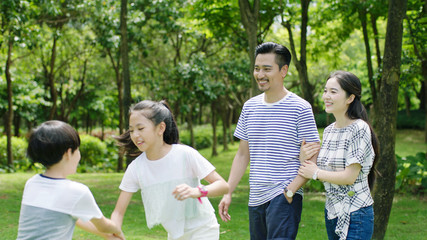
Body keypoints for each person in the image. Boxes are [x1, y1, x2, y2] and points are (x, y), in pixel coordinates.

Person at [218, 42, 320, 240]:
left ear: (283, 70)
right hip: (256, 197)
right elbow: (242, 155)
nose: (260, 74)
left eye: (267, 69)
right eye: (257, 68)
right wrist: (228, 192)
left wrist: (290, 192)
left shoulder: (301, 108)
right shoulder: (249, 107)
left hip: (283, 195)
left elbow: (312, 160)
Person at [111, 100, 229, 240]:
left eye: (140, 128)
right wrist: (114, 231)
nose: (135, 135)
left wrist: (196, 191)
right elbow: (118, 213)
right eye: (131, 130)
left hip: (203, 229)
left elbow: (223, 185)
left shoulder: (185, 154)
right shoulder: (136, 168)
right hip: (175, 235)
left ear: (161, 128)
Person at [298, 70, 379, 240]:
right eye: (325, 91)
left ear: (350, 98)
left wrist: (315, 173)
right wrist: (304, 158)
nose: (326, 96)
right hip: (332, 212)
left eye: (333, 92)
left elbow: (350, 177)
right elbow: (320, 168)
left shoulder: (359, 128)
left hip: (356, 213)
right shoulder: (329, 131)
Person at [17, 120, 125, 240]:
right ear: (68, 153)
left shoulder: (32, 184)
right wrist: (117, 230)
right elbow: (104, 226)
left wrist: (107, 236)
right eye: (77, 149)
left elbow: (72, 215)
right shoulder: (76, 191)